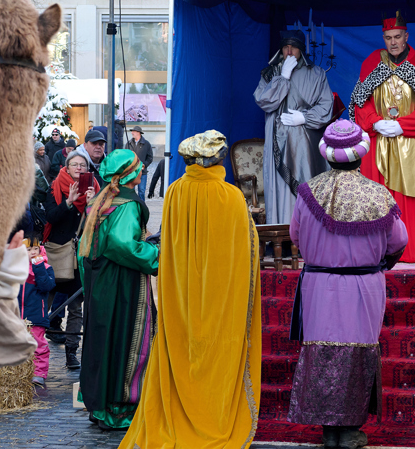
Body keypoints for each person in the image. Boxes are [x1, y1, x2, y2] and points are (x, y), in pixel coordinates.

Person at [120, 130, 261, 448]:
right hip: (222, 296)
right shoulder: (230, 197)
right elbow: (247, 251)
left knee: (182, 351)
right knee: (218, 353)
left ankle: (180, 413)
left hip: (181, 295)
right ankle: (213, 417)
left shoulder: (175, 193)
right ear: (218, 159)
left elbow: (168, 247)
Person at [287, 120, 408, 449]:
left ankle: (329, 430)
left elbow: (295, 237)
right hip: (362, 287)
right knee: (357, 354)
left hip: (318, 285)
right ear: (361, 155)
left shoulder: (308, 192)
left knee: (322, 351)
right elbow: (398, 241)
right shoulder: (378, 195)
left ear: (326, 155)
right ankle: (351, 431)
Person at [350, 11, 415, 263]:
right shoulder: (372, 63)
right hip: (380, 142)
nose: (393, 42)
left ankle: (413, 250)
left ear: (406, 36)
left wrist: (403, 126)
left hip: (414, 145)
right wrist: (376, 122)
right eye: (388, 38)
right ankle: (377, 251)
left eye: (397, 36)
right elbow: (360, 104)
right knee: (378, 198)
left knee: (411, 198)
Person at [77, 149, 159, 431]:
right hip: (122, 282)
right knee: (124, 339)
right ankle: (118, 409)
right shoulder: (128, 203)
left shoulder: (101, 200)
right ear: (130, 174)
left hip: (100, 281)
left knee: (103, 340)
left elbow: (83, 250)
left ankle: (100, 407)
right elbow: (121, 243)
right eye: (138, 166)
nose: (142, 169)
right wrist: (154, 256)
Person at [254, 30, 334, 224]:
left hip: (304, 144)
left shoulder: (316, 73)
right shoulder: (270, 73)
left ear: (301, 50)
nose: (289, 51)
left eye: (294, 47)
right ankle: (282, 233)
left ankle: (307, 236)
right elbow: (264, 101)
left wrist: (305, 117)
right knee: (279, 187)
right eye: (285, 47)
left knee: (306, 184)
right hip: (276, 141)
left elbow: (326, 106)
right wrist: (282, 77)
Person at [43, 151, 99, 368]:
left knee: (76, 306)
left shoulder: (95, 187)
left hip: (81, 254)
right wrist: (68, 202)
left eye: (83, 165)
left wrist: (93, 205)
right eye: (74, 164)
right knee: (45, 301)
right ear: (66, 167)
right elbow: (50, 217)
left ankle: (71, 352)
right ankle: (37, 351)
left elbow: (100, 222)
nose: (79, 168)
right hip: (58, 252)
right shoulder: (55, 186)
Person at [18, 237, 56, 388]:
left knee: (38, 344)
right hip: (16, 315)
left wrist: (38, 267)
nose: (33, 252)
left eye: (35, 249)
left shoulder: (46, 267)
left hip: (35, 315)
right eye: (28, 249)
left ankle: (39, 373)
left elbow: (46, 286)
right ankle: (19, 372)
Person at [125, 125, 153, 201]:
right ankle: (132, 206)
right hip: (131, 173)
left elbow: (150, 157)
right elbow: (125, 157)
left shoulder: (146, 144)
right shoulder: (128, 143)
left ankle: (142, 207)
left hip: (142, 173)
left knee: (141, 192)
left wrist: (145, 165)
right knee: (131, 191)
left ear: (138, 133)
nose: (132, 133)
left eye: (133, 131)